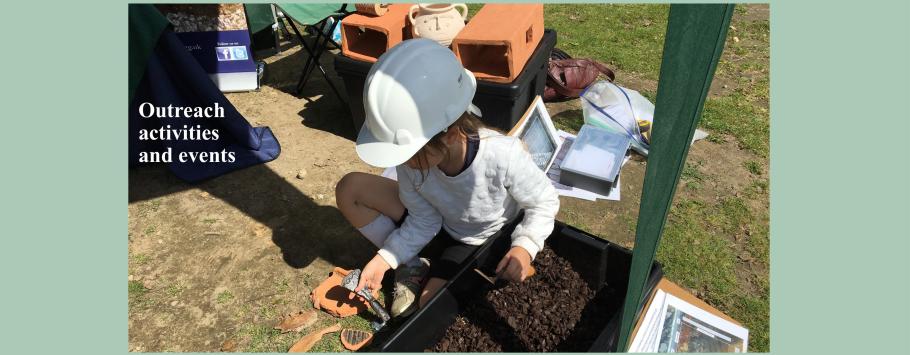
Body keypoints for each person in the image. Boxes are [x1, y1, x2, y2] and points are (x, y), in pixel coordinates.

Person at [335, 39, 559, 318]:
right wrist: (385, 260)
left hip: (477, 239)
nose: (402, 163)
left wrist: (524, 248)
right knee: (350, 188)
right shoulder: (413, 161)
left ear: (451, 135)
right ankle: (414, 263)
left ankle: (432, 267)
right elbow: (423, 218)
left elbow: (544, 203)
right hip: (440, 223)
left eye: (409, 153)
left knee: (429, 307)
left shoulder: (502, 155)